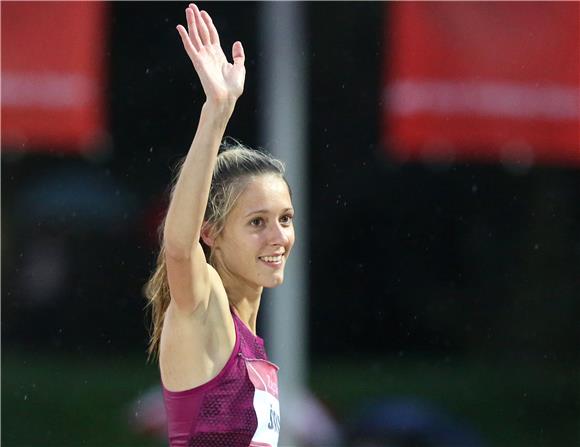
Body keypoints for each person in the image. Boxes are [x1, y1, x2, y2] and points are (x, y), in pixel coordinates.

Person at [144, 4, 294, 447]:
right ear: (211, 234)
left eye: (284, 219)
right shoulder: (203, 308)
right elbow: (177, 246)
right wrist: (217, 112)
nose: (278, 237)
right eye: (256, 222)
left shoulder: (253, 347)